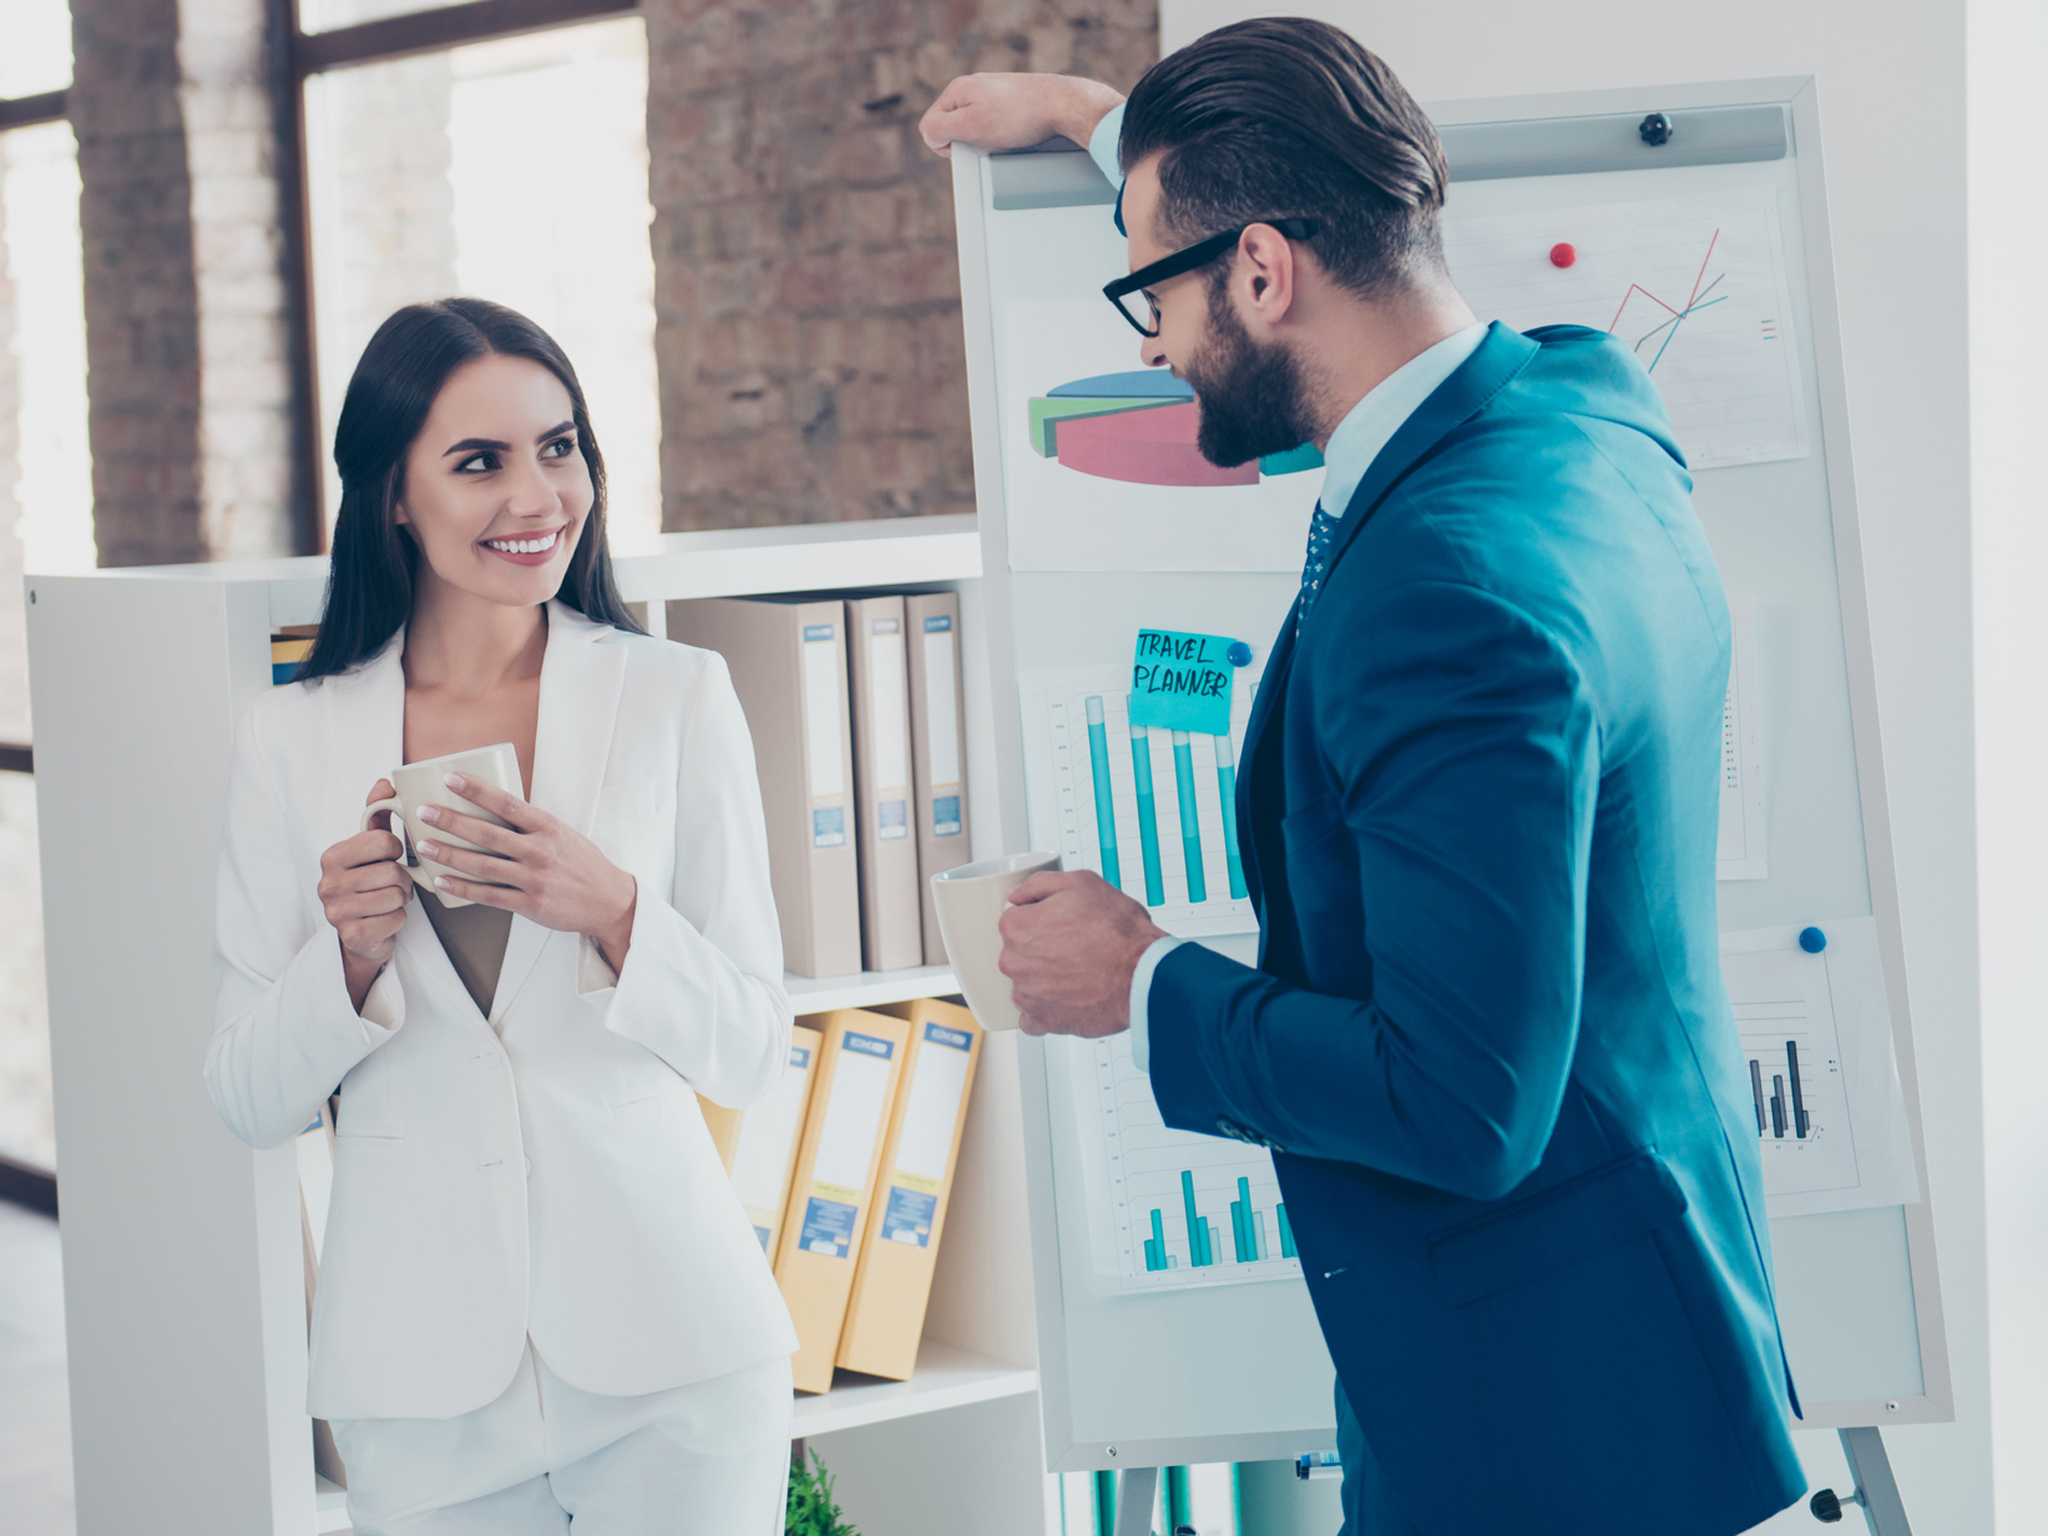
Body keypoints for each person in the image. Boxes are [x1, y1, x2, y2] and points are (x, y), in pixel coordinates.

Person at [922, 21, 1805, 1536]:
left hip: (1553, 1439)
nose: (1146, 344)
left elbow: (1460, 1105)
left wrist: (1141, 983)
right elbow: (1269, 192)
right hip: (1650, 1318)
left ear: (1263, 270)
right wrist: (1103, 123)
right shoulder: (1583, 408)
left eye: (1152, 287)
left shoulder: (1440, 592)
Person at [204, 298, 797, 1535]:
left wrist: (616, 910)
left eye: (559, 446)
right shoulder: (292, 737)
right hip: (418, 1379)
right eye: (478, 462)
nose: (537, 498)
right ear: (393, 498)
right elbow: (248, 1098)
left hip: (673, 1352)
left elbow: (751, 1046)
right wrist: (349, 959)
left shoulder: (677, 696)